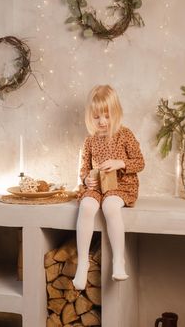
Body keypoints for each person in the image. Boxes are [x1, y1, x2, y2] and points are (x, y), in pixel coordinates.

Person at [73, 84, 145, 291]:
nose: (102, 122)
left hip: (121, 186)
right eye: (97, 117)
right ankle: (82, 264)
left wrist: (119, 163)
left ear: (116, 113)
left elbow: (140, 162)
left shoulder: (125, 134)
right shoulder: (90, 141)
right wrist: (87, 180)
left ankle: (118, 261)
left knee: (111, 207)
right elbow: (83, 170)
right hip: (98, 187)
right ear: (90, 117)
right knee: (86, 206)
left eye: (106, 116)